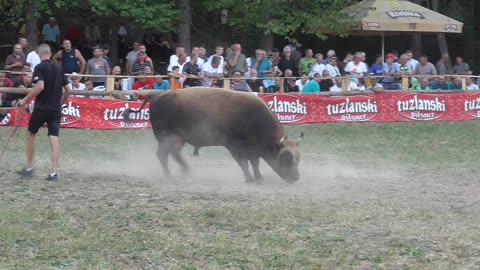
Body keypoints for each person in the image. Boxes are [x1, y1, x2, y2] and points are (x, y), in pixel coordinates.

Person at [16, 44, 72, 181]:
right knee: (54, 139)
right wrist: (61, 103)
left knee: (31, 134)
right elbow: (69, 90)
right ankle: (54, 173)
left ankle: (29, 168)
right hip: (55, 109)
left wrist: (24, 100)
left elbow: (40, 87)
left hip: (42, 108)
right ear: (50, 53)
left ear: (39, 54)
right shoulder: (59, 69)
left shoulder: (40, 67)